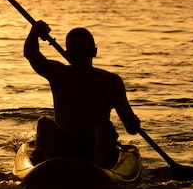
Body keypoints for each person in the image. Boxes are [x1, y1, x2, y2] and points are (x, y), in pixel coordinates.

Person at [24, 20, 140, 168]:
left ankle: (99, 168)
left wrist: (133, 122)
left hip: (94, 147)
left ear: (94, 51)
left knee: (106, 126)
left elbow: (131, 128)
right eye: (74, 50)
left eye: (84, 48)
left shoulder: (111, 81)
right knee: (44, 123)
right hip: (64, 145)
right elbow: (31, 54)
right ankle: (43, 163)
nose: (79, 54)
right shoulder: (59, 74)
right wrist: (35, 33)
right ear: (67, 54)